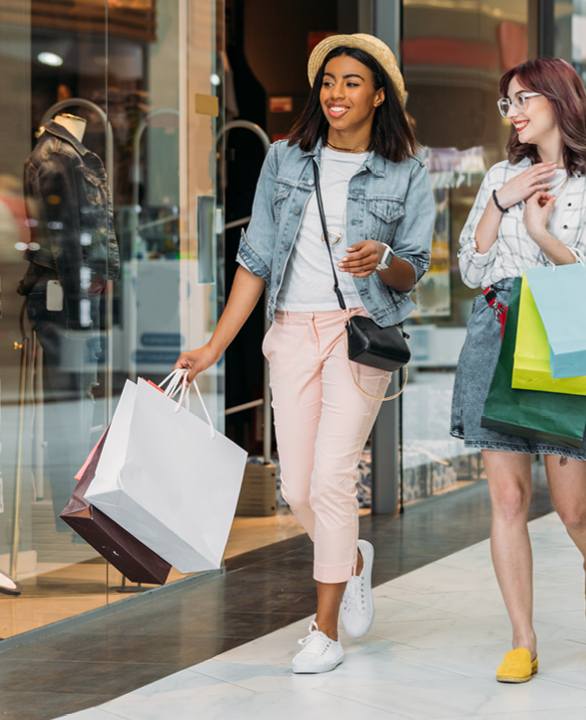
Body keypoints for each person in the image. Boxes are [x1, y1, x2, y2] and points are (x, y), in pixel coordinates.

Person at [174, 34, 434, 675]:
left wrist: (385, 259)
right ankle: (352, 559)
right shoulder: (286, 160)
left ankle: (324, 632)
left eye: (351, 82)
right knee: (295, 488)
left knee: (332, 480)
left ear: (379, 94)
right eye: (328, 81)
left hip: (358, 332)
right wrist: (214, 346)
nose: (336, 93)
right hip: (291, 331)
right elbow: (256, 261)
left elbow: (416, 270)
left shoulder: (407, 170)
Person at [451, 58, 586, 684]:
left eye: (525, 97)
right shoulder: (501, 176)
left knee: (573, 509)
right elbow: (471, 272)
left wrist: (541, 233)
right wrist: (501, 203)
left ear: (561, 98)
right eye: (507, 102)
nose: (515, 111)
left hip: (567, 334)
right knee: (506, 497)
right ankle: (522, 639)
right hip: (499, 329)